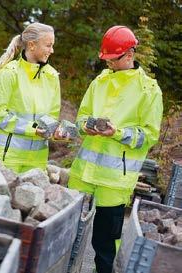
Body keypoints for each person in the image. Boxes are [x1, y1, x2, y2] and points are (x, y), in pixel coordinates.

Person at [68, 26, 163, 273]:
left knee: (105, 246)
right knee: (65, 237)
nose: (109, 64)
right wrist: (85, 127)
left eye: (113, 59)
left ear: (130, 54)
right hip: (82, 175)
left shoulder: (149, 90)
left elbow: (149, 136)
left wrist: (117, 133)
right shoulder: (99, 81)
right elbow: (80, 119)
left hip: (114, 181)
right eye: (107, 59)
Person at [0, 22, 63, 173]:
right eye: (48, 45)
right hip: (7, 158)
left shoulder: (52, 76)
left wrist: (55, 131)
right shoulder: (9, 73)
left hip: (37, 161)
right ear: (32, 45)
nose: (52, 50)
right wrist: (34, 129)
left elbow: (52, 116)